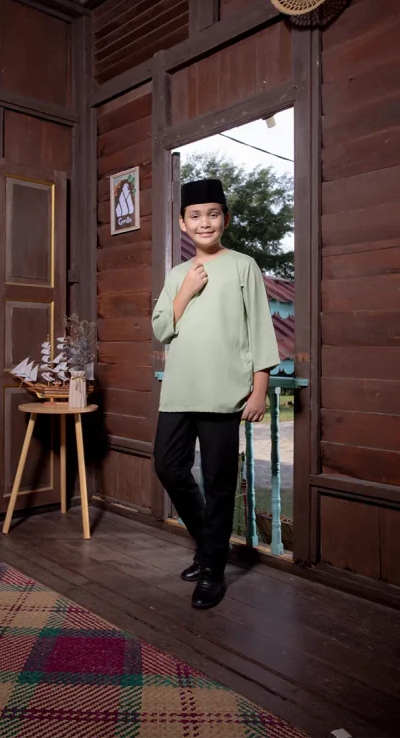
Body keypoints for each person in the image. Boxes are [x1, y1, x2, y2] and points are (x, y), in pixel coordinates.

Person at [152, 178, 280, 610]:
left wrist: (259, 389)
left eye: (212, 214)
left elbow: (260, 328)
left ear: (225, 217)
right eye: (195, 216)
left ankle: (212, 571)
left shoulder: (244, 266)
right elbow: (161, 328)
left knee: (220, 482)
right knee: (168, 466)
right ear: (183, 224)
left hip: (225, 392)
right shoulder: (177, 275)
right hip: (179, 390)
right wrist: (186, 291)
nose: (204, 222)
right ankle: (211, 546)